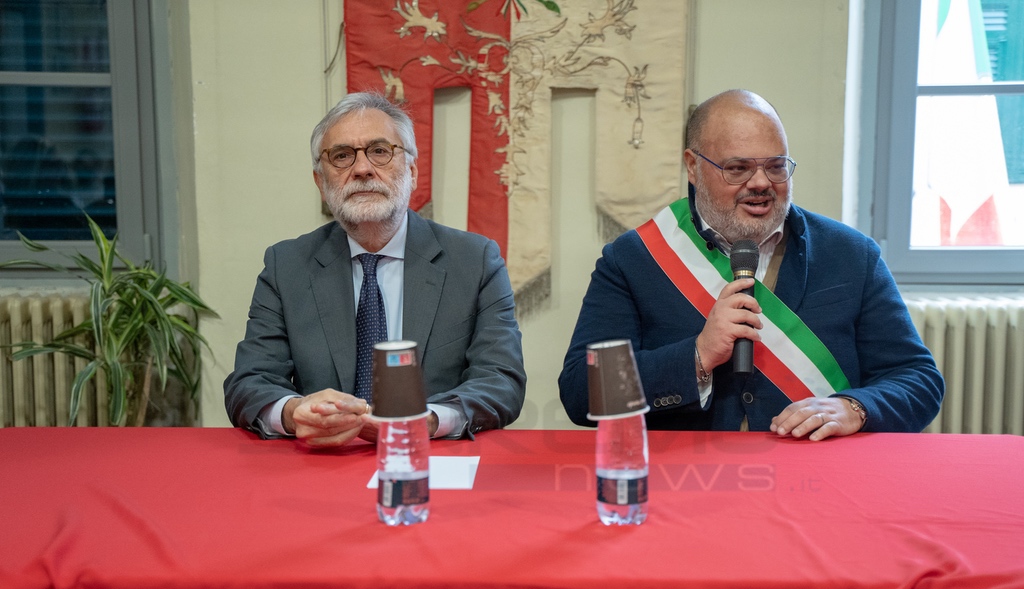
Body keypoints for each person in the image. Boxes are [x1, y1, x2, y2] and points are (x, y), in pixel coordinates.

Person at [559, 89, 943, 440]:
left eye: (776, 166)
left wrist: (855, 408)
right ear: (693, 167)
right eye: (738, 168)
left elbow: (918, 379)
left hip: (815, 476)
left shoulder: (851, 255)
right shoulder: (635, 259)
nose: (761, 183)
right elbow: (581, 393)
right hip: (688, 476)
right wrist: (697, 357)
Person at [225, 92, 526, 447]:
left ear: (411, 172)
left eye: (380, 151)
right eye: (342, 156)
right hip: (324, 459)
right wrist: (294, 413)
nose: (362, 169)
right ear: (321, 183)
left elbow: (501, 381)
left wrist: (426, 421)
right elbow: (250, 381)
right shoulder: (287, 265)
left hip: (433, 457)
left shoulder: (475, 261)